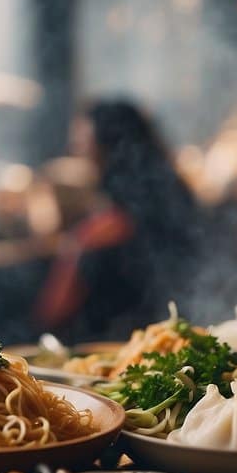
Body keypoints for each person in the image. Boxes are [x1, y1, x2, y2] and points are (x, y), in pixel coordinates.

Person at [35, 100, 199, 335]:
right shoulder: (169, 185)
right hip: (178, 319)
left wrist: (74, 243)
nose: (74, 147)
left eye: (82, 140)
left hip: (127, 336)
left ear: (107, 142)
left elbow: (54, 311)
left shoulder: (115, 217)